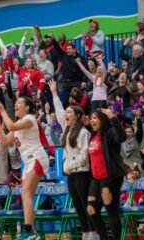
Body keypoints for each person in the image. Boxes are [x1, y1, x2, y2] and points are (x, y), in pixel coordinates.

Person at [0, 97, 49, 239]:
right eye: (15, 102)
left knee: (26, 194)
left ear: (27, 108)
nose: (16, 104)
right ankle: (31, 231)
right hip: (28, 161)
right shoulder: (19, 122)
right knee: (27, 196)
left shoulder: (30, 119)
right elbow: (6, 141)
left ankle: (28, 230)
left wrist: (2, 110)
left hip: (36, 157)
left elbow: (11, 126)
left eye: (19, 102)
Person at [49, 80, 97, 239]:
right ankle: (86, 234)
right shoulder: (66, 130)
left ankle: (94, 234)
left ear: (77, 116)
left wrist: (71, 165)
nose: (65, 115)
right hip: (71, 175)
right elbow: (59, 110)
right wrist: (54, 93)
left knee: (86, 206)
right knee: (78, 206)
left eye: (69, 113)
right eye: (66, 113)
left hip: (82, 174)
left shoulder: (84, 133)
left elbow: (85, 155)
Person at [87, 108, 126, 240]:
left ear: (102, 120)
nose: (92, 120)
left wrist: (112, 117)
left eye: (95, 118)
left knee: (111, 210)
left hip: (109, 177)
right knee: (91, 210)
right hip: (96, 178)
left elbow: (121, 137)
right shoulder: (93, 136)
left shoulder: (109, 134)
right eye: (91, 118)